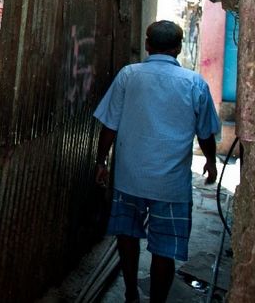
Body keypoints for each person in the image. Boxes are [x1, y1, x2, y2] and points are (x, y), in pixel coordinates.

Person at [93, 20, 220, 303]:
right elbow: (206, 133)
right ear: (178, 48)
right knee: (165, 248)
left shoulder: (128, 76)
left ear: (148, 45)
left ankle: (129, 294)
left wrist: (101, 162)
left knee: (126, 236)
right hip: (171, 185)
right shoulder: (194, 83)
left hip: (130, 178)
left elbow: (110, 126)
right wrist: (211, 162)